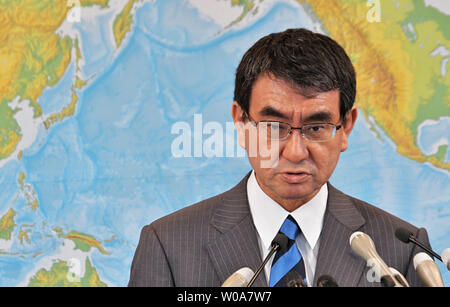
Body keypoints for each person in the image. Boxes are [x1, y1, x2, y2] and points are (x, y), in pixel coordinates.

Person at [128, 28, 432, 287]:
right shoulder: (168, 246)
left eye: (316, 127)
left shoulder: (400, 250)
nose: (296, 152)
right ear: (241, 122)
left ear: (346, 127)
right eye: (274, 127)